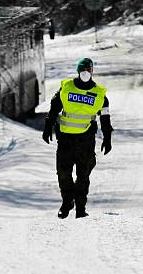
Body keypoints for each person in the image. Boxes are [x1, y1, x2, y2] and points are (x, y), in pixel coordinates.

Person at [42, 57, 112, 218]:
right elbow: (53, 110)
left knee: (83, 175)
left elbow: (105, 119)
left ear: (92, 71)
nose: (86, 72)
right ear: (78, 71)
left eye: (88, 69)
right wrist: (47, 128)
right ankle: (67, 202)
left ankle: (80, 208)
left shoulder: (100, 95)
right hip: (65, 139)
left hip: (86, 141)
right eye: (83, 70)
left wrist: (107, 138)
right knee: (63, 173)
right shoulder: (66, 89)